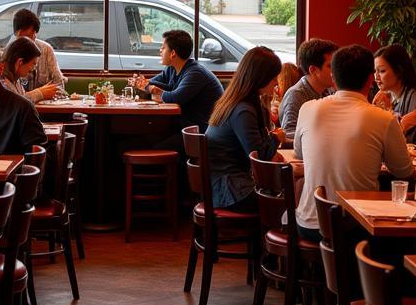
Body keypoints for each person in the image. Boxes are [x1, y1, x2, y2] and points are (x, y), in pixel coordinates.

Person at [294, 45, 413, 241]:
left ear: (333, 77)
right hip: (355, 226)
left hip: (308, 222)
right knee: (404, 240)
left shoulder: (307, 109)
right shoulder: (383, 118)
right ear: (370, 79)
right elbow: (404, 172)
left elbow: (299, 154)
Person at [203, 46, 284, 212]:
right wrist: (276, 138)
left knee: (290, 192)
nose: (276, 82)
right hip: (230, 189)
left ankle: (268, 237)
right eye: (274, 77)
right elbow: (260, 158)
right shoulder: (243, 110)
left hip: (223, 184)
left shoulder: (236, 102)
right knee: (291, 199)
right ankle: (272, 237)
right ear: (261, 77)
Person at [130, 29, 224, 135]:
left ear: (173, 53)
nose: (160, 50)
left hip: (199, 133)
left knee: (148, 143)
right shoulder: (172, 69)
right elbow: (153, 82)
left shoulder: (195, 73)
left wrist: (149, 88)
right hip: (184, 126)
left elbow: (175, 98)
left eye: (163, 47)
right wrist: (141, 83)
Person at [372, 44, 416, 143]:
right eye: (375, 71)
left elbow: (411, 140)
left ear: (399, 71)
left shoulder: (413, 95)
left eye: (382, 71)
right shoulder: (385, 97)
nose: (376, 77)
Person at [278, 38, 338, 141]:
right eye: (330, 66)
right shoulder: (296, 95)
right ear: (313, 70)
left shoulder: (328, 92)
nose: (335, 71)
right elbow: (287, 133)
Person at [11, 8, 66, 103]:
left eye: (34, 34)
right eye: (29, 35)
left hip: (46, 108)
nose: (33, 39)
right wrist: (40, 93)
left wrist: (48, 92)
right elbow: (14, 100)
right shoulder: (8, 56)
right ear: (18, 33)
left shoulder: (45, 49)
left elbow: (59, 84)